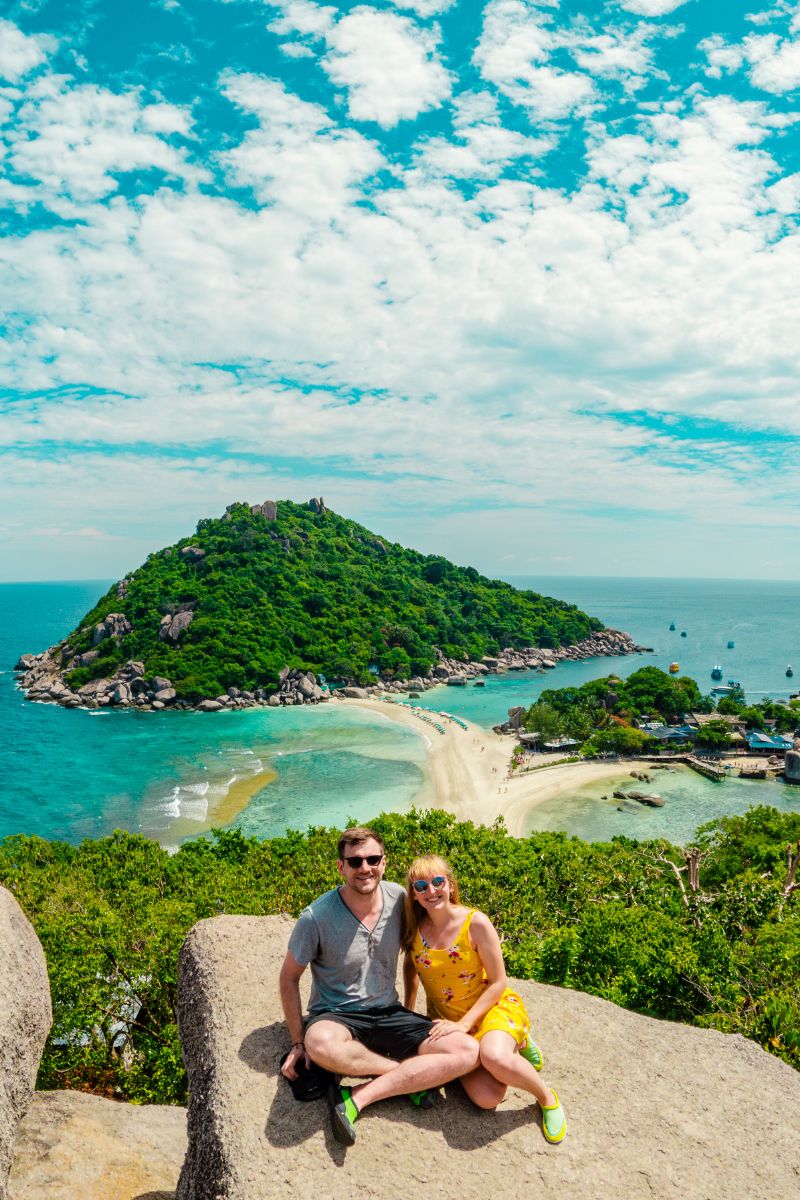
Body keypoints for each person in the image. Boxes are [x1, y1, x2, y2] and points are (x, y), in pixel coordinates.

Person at [279, 827, 479, 1145]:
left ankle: (358, 1095)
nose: (365, 868)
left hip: (389, 1011)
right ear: (340, 867)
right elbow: (288, 978)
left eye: (373, 859)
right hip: (337, 1015)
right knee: (319, 1044)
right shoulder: (316, 918)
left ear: (384, 863)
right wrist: (297, 1043)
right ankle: (407, 1077)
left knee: (467, 1051)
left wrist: (411, 1012)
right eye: (355, 861)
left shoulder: (399, 898)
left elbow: (418, 951)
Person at [402, 853, 567, 1144]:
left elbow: (500, 981)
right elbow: (410, 967)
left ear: (451, 885)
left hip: (490, 1008)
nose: (431, 891)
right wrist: (408, 1012)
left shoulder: (475, 923)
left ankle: (546, 1097)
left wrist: (466, 1024)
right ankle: (514, 1044)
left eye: (438, 881)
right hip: (447, 1019)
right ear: (413, 895)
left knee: (494, 1056)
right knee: (486, 1098)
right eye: (421, 886)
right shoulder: (413, 928)